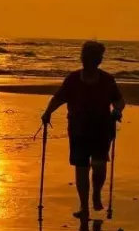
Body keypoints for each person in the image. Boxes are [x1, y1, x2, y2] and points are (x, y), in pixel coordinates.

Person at [40, 40, 126, 219]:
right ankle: (84, 207)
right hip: (78, 130)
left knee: (99, 166)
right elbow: (58, 98)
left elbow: (119, 100)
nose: (92, 60)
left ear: (99, 60)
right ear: (83, 58)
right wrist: (47, 112)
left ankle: (96, 194)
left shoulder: (107, 80)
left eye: (95, 57)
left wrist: (117, 110)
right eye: (88, 56)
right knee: (81, 168)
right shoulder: (72, 79)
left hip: (102, 129)